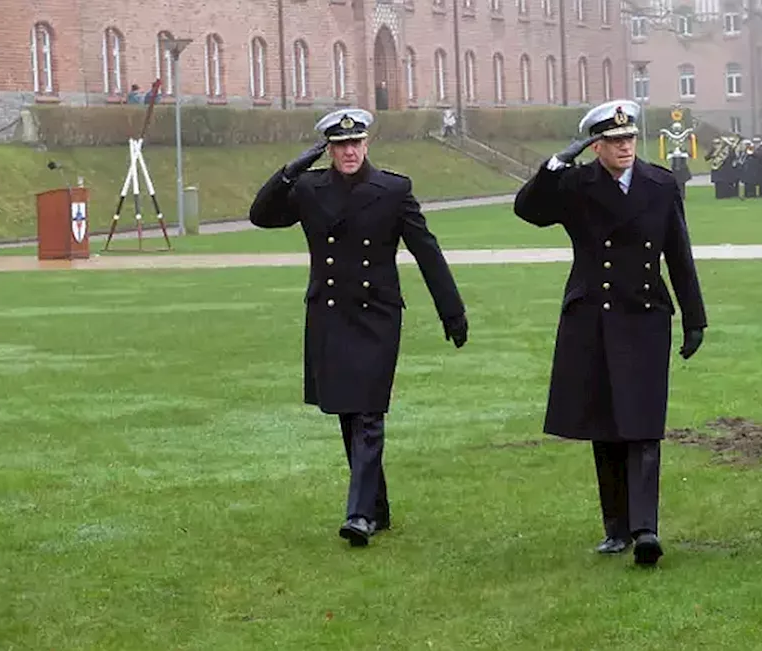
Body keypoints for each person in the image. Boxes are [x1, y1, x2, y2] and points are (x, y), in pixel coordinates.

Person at [248, 108, 469, 547]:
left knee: (368, 412)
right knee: (348, 413)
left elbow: (426, 249)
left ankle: (360, 514)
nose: (349, 152)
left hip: (376, 316)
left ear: (366, 144)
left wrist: (452, 311)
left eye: (355, 143)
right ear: (328, 149)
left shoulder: (392, 189)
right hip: (330, 315)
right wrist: (292, 169)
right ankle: (378, 507)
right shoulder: (310, 189)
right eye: (339, 145)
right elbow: (261, 215)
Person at [512, 100, 708, 567]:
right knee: (605, 425)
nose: (624, 147)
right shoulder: (575, 184)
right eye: (614, 141)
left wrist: (695, 316)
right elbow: (528, 210)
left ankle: (646, 529)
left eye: (629, 139)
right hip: (592, 316)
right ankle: (616, 528)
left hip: (644, 315)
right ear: (595, 145)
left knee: (642, 424)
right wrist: (555, 165)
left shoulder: (660, 184)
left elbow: (678, 252)